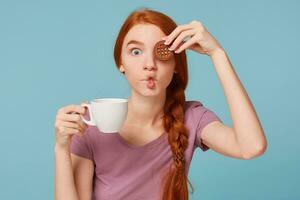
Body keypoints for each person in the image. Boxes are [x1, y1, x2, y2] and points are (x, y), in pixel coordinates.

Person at [54, 8, 267, 200]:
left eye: (160, 53)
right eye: (136, 52)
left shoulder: (192, 118)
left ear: (175, 64)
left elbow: (251, 147)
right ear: (121, 62)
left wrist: (217, 54)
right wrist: (61, 148)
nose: (149, 65)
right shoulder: (91, 125)